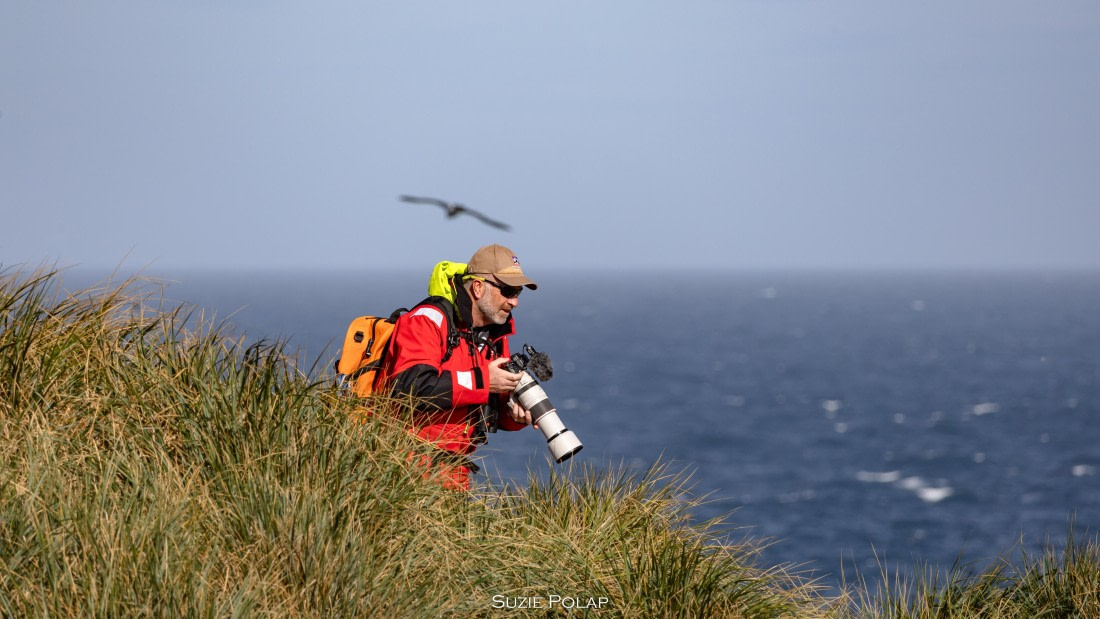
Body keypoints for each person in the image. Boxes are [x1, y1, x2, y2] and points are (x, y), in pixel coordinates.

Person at [378, 244, 538, 490]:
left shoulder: (492, 338)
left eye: (518, 292)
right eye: (507, 290)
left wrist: (515, 415)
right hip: (401, 470)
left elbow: (490, 408)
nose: (515, 302)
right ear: (477, 287)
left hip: (454, 474)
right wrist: (483, 381)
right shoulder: (426, 321)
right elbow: (410, 389)